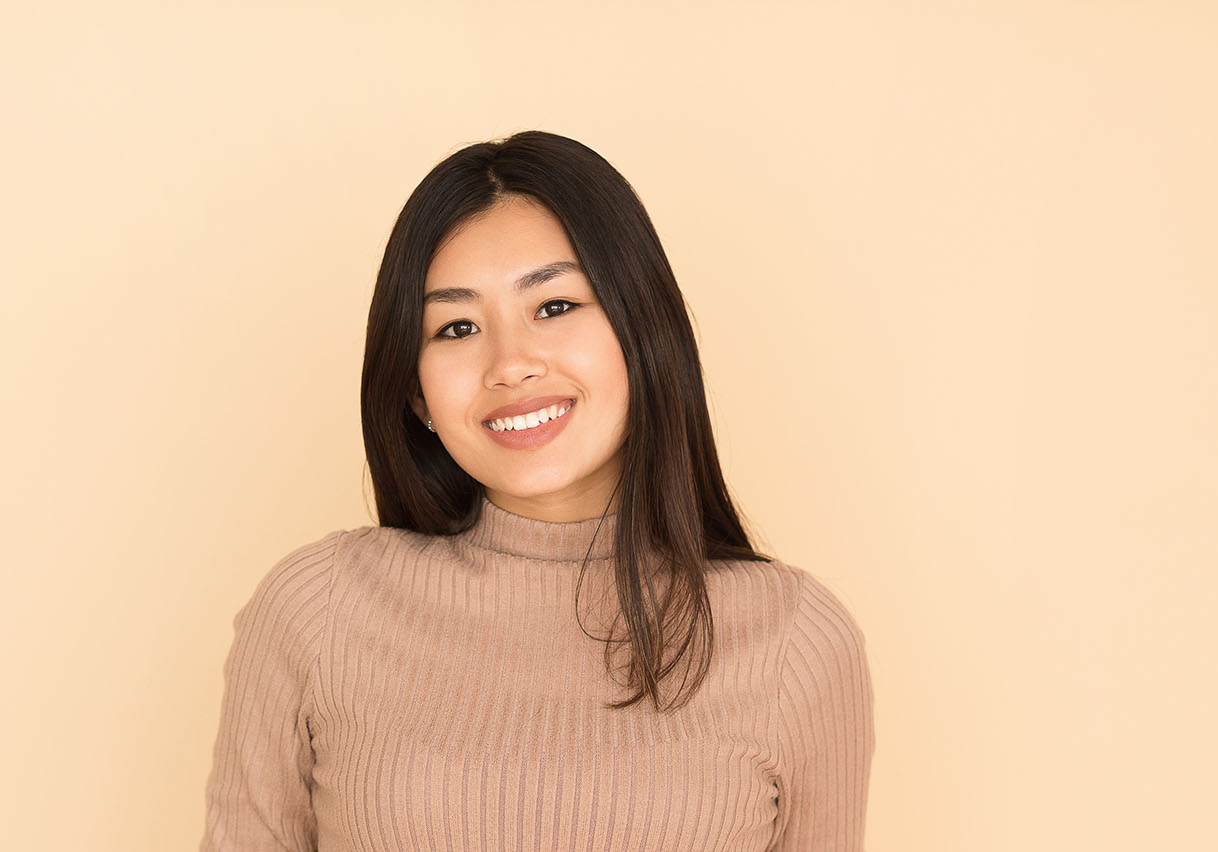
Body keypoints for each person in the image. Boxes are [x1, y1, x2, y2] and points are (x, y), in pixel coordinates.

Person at [199, 131, 875, 851]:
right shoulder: (317, 611)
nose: (511, 364)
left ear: (641, 330)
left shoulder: (795, 642)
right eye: (457, 326)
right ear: (417, 393)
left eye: (553, 307)